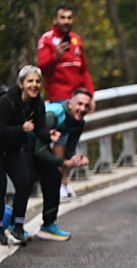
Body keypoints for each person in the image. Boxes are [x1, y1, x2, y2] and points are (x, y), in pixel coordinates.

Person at [0, 65, 58, 246]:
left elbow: (40, 128)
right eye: (30, 81)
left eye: (37, 81)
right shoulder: (7, 101)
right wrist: (20, 129)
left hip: (13, 147)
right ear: (21, 84)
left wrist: (49, 135)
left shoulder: (37, 103)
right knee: (0, 184)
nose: (35, 85)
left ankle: (18, 227)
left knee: (24, 181)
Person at [37, 4, 96, 199]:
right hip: (60, 98)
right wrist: (57, 55)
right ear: (55, 20)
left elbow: (84, 69)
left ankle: (64, 182)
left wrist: (90, 95)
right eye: (62, 17)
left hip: (78, 97)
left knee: (73, 141)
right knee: (60, 140)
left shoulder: (76, 40)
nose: (66, 21)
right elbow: (42, 68)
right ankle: (56, 183)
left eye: (69, 18)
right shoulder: (46, 40)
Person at [32, 88, 92, 241]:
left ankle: (48, 225)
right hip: (24, 141)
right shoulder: (54, 115)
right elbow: (39, 151)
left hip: (40, 146)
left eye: (86, 106)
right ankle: (14, 225)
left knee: (54, 177)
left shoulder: (79, 123)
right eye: (79, 104)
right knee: (26, 180)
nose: (82, 109)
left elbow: (69, 151)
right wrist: (64, 162)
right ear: (70, 104)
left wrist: (76, 159)